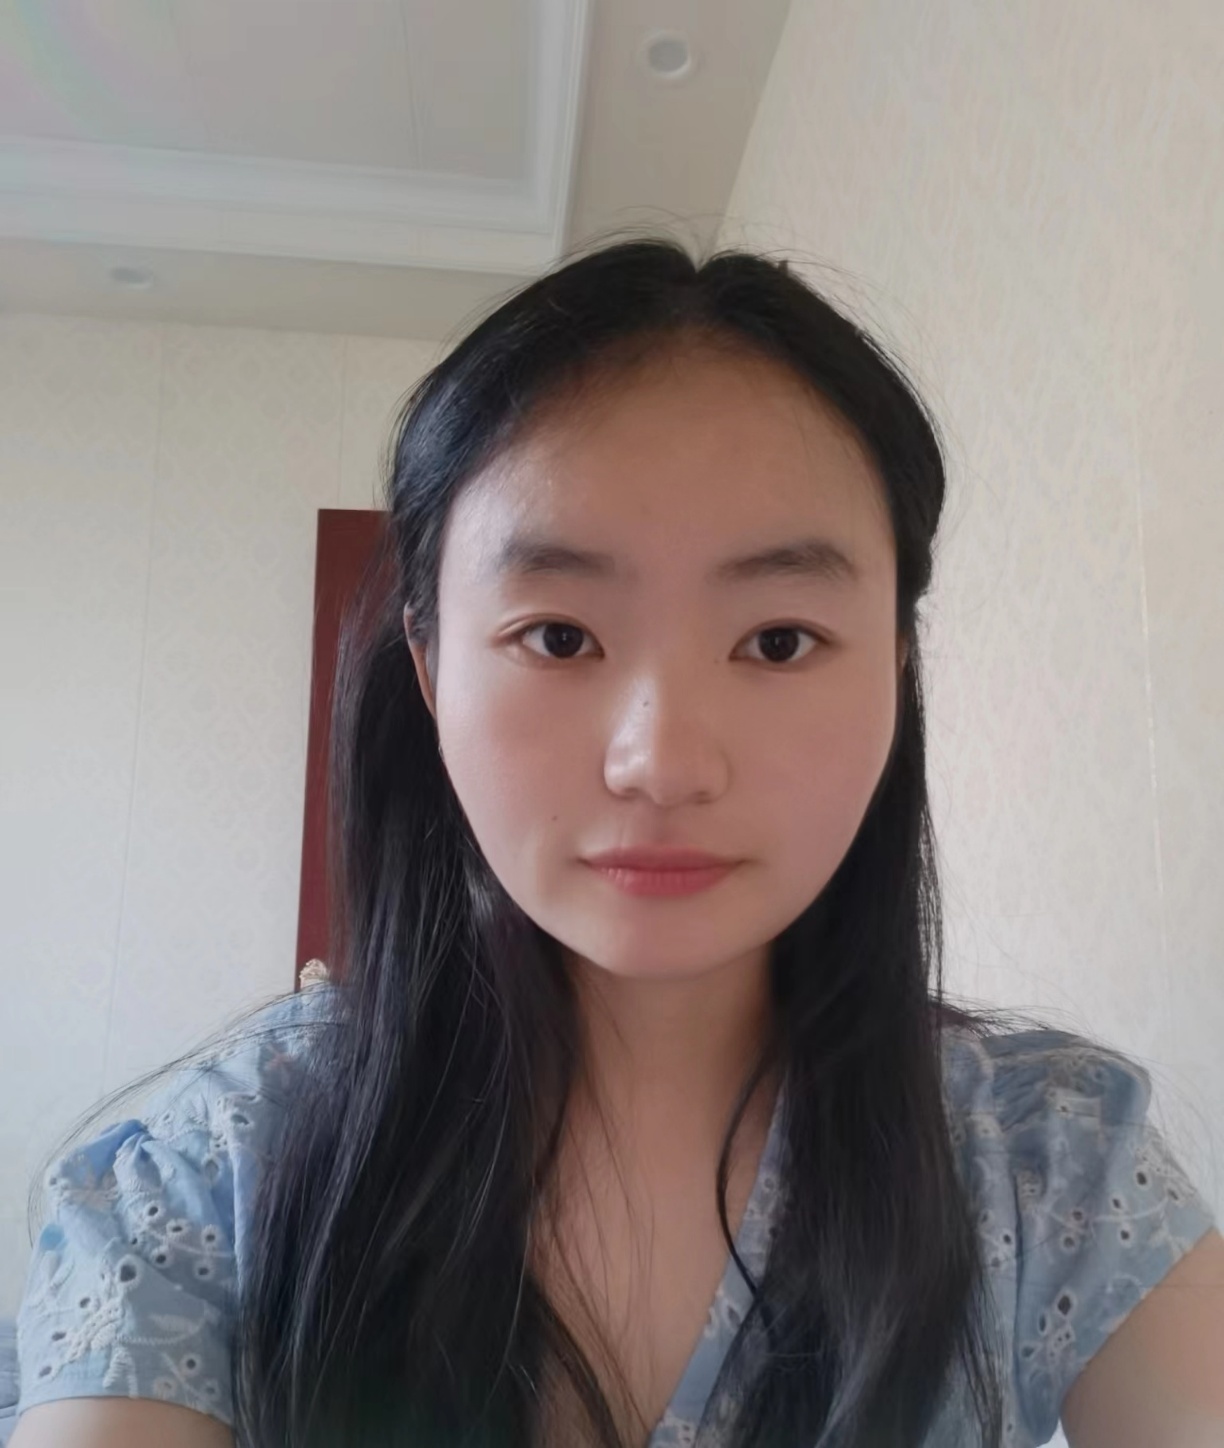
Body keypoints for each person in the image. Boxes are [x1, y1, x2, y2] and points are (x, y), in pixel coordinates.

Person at [10, 238, 1223, 1448]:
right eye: (559, 636)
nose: (662, 760)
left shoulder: (1047, 1155)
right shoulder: (212, 1170)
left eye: (780, 640)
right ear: (430, 670)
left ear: (896, 671)